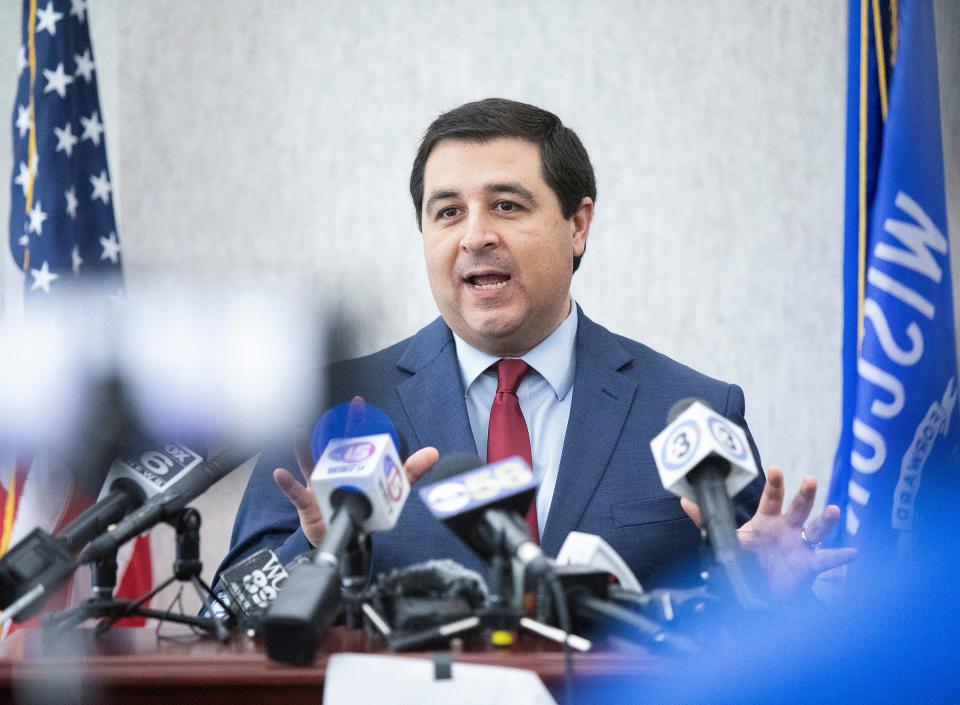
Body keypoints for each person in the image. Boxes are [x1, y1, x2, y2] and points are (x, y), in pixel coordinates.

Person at [220, 98, 854, 599]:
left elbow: (748, 625)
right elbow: (226, 610)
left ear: (577, 225)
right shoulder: (331, 406)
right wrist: (317, 554)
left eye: (506, 205)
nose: (474, 236)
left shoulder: (692, 411)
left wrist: (767, 600)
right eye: (446, 213)